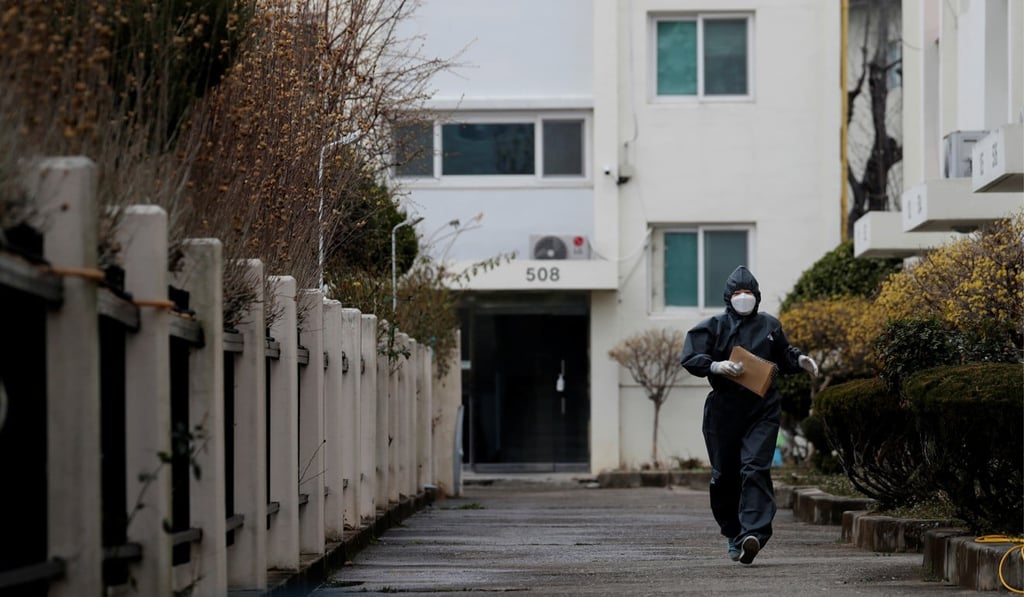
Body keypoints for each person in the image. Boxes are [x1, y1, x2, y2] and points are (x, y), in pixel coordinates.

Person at [680, 265, 818, 565]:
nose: (744, 298)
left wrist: (801, 359)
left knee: (755, 468)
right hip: (724, 411)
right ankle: (733, 532)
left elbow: (784, 353)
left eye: (749, 293)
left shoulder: (769, 325)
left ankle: (752, 534)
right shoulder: (713, 326)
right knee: (724, 477)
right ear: (728, 297)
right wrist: (715, 366)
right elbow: (690, 356)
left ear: (758, 296)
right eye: (738, 293)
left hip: (762, 408)